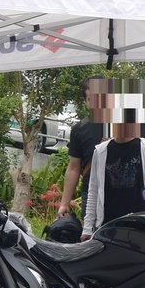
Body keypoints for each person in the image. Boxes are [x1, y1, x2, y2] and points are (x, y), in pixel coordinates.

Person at [79, 107, 145, 240]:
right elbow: (93, 191)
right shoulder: (100, 151)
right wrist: (87, 229)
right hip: (107, 227)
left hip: (141, 227)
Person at [57, 78, 109, 221]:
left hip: (125, 193)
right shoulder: (79, 129)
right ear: (86, 102)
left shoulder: (127, 123)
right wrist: (64, 203)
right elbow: (74, 167)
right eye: (90, 99)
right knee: (91, 233)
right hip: (92, 194)